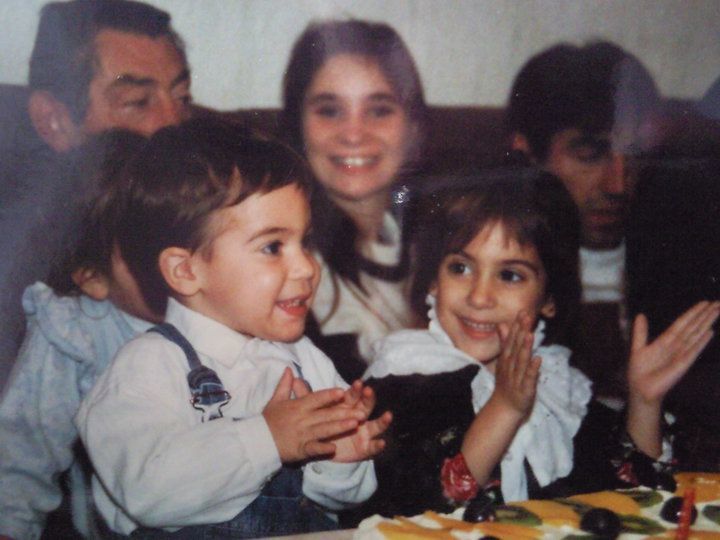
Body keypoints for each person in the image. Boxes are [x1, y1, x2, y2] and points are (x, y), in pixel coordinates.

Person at [75, 119, 392, 537]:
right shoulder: (147, 367)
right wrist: (268, 439)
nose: (307, 267)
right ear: (186, 270)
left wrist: (339, 461)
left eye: (304, 242)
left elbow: (340, 502)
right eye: (272, 247)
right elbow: (148, 491)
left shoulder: (305, 359)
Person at [351, 170, 718, 521]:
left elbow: (631, 502)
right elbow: (413, 510)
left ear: (550, 299)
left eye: (510, 275)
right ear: (433, 280)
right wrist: (505, 409)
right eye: (460, 268)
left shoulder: (560, 389)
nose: (479, 297)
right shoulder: (402, 380)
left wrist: (645, 402)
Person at [0, 0, 191, 384]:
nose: (174, 125)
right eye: (138, 102)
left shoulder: (210, 192)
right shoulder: (25, 251)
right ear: (54, 120)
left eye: (183, 98)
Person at [0, 131, 163, 540]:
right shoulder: (76, 331)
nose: (177, 262)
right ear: (93, 278)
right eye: (147, 254)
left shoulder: (235, 298)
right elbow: (22, 451)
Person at [505, 41, 661, 399]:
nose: (618, 184)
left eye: (635, 154)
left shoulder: (675, 257)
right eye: (590, 155)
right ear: (527, 152)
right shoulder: (498, 275)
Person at [281, 20, 428, 382]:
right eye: (330, 110)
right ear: (298, 126)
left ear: (412, 127)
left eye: (378, 110)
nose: (353, 134)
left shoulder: (447, 240)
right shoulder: (287, 262)